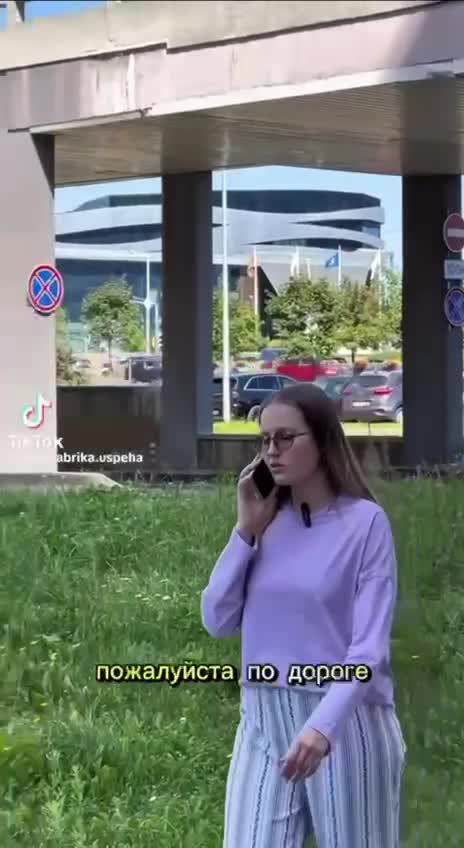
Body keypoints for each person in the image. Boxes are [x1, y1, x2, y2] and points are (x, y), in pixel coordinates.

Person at [201, 383, 406, 848]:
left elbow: (369, 648)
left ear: (323, 440)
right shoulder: (265, 521)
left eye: (285, 438)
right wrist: (244, 531)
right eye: (264, 440)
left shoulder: (366, 524)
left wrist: (322, 727)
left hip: (346, 721)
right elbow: (216, 619)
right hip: (262, 717)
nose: (272, 451)